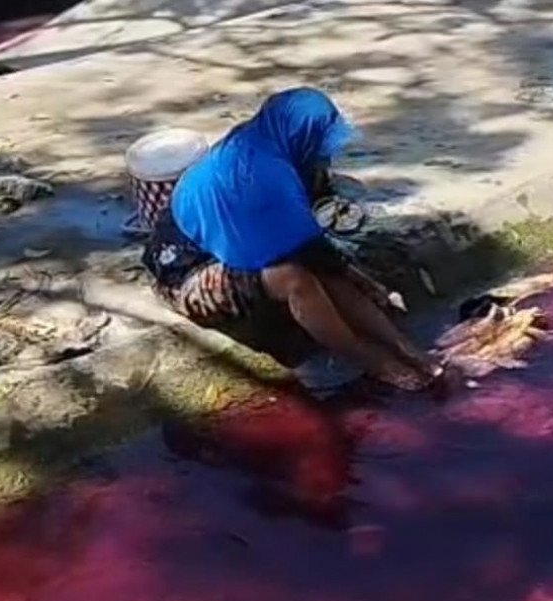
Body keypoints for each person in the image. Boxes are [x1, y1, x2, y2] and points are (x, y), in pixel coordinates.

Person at [142, 87, 442, 391]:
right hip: (184, 276)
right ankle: (367, 358)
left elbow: (320, 255)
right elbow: (304, 251)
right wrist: (351, 275)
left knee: (327, 269)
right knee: (294, 278)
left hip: (224, 250)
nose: (324, 154)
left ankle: (404, 347)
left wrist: (357, 276)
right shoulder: (260, 176)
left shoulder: (268, 145)